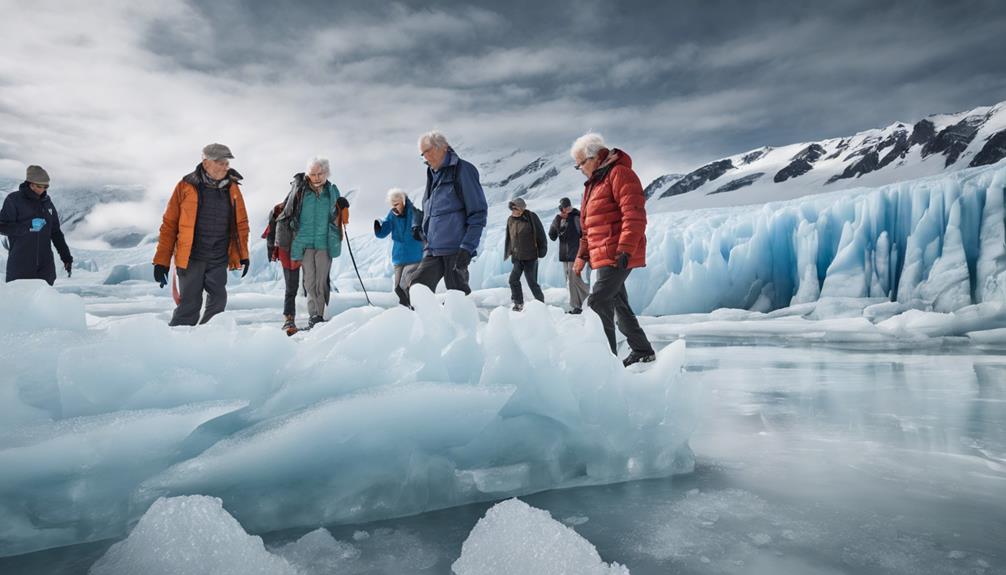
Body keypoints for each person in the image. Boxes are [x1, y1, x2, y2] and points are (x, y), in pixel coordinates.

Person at [570, 133, 656, 367]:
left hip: (617, 252)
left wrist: (626, 248)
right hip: (602, 253)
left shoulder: (619, 174)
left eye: (581, 164)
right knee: (618, 302)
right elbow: (588, 228)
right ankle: (642, 350)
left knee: (598, 302)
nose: (580, 169)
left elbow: (634, 213)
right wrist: (581, 256)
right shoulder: (593, 184)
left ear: (596, 157)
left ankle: (605, 363)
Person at [153, 143, 250, 326]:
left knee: (218, 302)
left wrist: (243, 254)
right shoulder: (185, 186)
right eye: (220, 162)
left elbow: (241, 224)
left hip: (218, 257)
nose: (225, 167)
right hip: (191, 257)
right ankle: (178, 344)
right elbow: (169, 225)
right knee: (189, 306)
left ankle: (207, 341)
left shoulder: (233, 188)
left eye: (226, 163)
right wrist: (162, 261)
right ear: (206, 163)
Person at [407, 131, 488, 296]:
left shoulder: (463, 170)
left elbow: (478, 213)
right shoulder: (432, 173)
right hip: (433, 249)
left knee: (457, 296)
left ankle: (464, 322)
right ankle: (428, 322)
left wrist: (467, 248)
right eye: (422, 154)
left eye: (427, 151)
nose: (425, 158)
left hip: (456, 249)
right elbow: (431, 210)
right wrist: (419, 227)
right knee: (417, 288)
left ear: (442, 147)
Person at [273, 157, 349, 329]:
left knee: (321, 281)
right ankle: (313, 313)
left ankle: (318, 315)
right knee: (309, 281)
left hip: (324, 243)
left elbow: (338, 218)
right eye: (313, 174)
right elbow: (290, 213)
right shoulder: (301, 191)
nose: (316, 177)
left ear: (326, 173)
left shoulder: (332, 191)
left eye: (320, 174)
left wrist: (343, 207)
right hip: (305, 243)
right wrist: (293, 227)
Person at [0, 165, 73, 285]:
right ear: (30, 183)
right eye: (39, 186)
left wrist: (66, 257)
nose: (43, 190)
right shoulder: (14, 200)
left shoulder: (47, 203)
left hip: (45, 269)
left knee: (44, 303)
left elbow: (55, 232)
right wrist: (28, 226)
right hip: (20, 267)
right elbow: (3, 227)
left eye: (46, 186)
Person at [374, 188, 424, 307]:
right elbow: (384, 231)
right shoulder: (392, 215)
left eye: (396, 204)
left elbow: (423, 227)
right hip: (399, 257)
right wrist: (378, 227)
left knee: (404, 286)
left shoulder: (414, 213)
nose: (394, 207)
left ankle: (415, 309)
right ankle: (406, 312)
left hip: (414, 256)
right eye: (392, 205)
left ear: (403, 202)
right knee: (398, 289)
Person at [264, 201, 302, 335]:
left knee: (310, 284)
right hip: (288, 249)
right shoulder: (280, 209)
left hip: (303, 246)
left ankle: (316, 315)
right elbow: (272, 229)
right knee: (292, 286)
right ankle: (289, 318)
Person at [504, 197, 547, 311]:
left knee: (532, 282)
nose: (512, 211)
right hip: (518, 257)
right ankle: (518, 303)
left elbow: (541, 233)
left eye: (515, 208)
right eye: (511, 208)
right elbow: (510, 238)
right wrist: (510, 253)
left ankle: (540, 304)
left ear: (521, 209)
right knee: (513, 280)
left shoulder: (531, 217)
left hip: (530, 257)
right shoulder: (510, 220)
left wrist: (542, 249)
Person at [549, 197, 589, 314]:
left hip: (576, 254)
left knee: (574, 280)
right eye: (564, 208)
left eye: (568, 207)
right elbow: (552, 236)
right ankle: (580, 305)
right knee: (570, 280)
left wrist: (582, 253)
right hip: (565, 256)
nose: (566, 210)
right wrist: (557, 220)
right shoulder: (559, 220)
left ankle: (587, 301)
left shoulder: (576, 217)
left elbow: (584, 233)